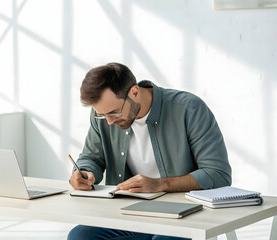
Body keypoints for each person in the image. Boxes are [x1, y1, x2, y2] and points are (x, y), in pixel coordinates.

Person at [68, 62, 232, 240]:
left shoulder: (189, 109)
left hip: (184, 216)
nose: (108, 122)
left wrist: (160, 184)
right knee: (80, 236)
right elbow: (91, 157)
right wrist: (84, 172)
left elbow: (219, 174)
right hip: (128, 213)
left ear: (134, 92)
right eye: (101, 114)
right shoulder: (103, 116)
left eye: (114, 113)